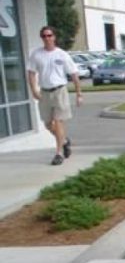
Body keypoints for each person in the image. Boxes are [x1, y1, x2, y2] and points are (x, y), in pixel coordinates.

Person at [26, 26, 82, 165]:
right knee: (47, 124)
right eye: (44, 36)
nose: (47, 38)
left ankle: (58, 153)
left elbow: (74, 74)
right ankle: (64, 141)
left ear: (54, 37)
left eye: (49, 35)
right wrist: (34, 90)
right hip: (44, 92)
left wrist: (79, 94)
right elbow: (31, 73)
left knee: (58, 121)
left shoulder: (62, 55)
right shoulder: (36, 54)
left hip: (59, 91)